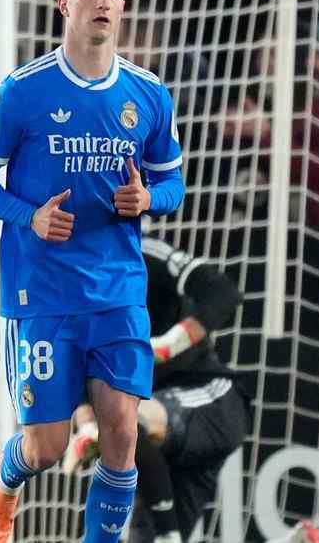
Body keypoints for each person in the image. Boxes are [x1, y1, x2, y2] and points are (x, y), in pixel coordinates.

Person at [0, 0, 185, 543]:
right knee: (46, 445)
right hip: (43, 294)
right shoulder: (21, 91)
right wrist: (29, 215)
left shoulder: (147, 94)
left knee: (121, 432)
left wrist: (150, 201)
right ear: (64, 3)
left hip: (117, 290)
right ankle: (3, 490)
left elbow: (172, 182)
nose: (103, 3)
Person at [61, 233, 249, 543]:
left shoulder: (141, 253)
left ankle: (168, 533)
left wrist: (165, 346)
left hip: (210, 398)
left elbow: (222, 292)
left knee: (127, 422)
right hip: (153, 451)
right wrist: (87, 428)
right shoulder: (63, 289)